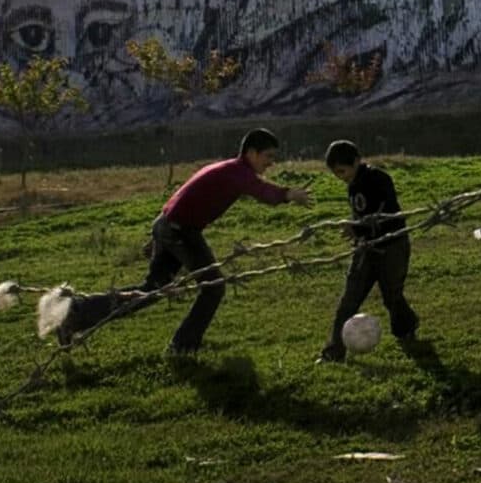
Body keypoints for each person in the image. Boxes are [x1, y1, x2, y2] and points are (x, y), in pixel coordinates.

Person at [58, 127, 312, 356]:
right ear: (252, 153)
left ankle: (76, 314)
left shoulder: (224, 168)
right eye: (268, 156)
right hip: (181, 232)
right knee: (213, 287)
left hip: (168, 225)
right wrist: (289, 194)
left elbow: (179, 196)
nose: (271, 163)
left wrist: (158, 233)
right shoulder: (237, 172)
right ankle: (183, 346)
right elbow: (262, 191)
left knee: (152, 289)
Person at [317, 139, 419, 362]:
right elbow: (362, 216)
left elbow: (386, 216)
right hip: (365, 250)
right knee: (349, 301)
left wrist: (358, 227)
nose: (341, 177)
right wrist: (358, 231)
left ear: (356, 161)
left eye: (343, 171)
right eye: (337, 174)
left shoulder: (379, 179)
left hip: (391, 247)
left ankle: (406, 329)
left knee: (392, 296)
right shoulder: (353, 185)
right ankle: (334, 351)